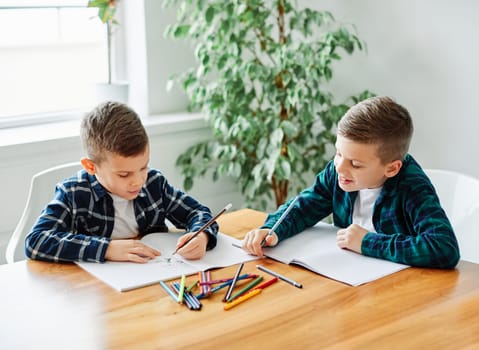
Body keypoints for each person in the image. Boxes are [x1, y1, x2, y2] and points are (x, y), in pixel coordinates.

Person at [241, 96, 460, 268]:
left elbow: (443, 247)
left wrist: (367, 243)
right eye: (338, 153)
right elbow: (305, 206)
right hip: (349, 280)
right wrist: (271, 229)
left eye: (355, 163)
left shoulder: (411, 187)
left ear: (392, 168)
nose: (339, 167)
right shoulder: (339, 171)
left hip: (400, 291)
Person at [25, 101, 218, 263]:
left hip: (154, 279)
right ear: (91, 167)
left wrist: (201, 235)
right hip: (98, 291)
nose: (138, 181)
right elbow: (36, 241)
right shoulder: (73, 193)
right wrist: (106, 249)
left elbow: (198, 213)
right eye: (124, 175)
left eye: (143, 167)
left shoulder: (154, 184)